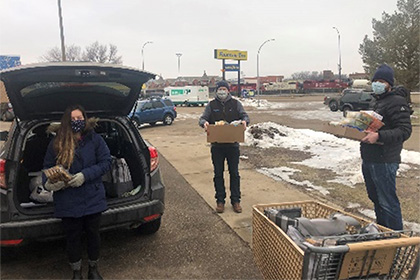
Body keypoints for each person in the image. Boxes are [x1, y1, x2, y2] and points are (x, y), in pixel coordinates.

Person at [43, 104, 111, 280]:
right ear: (67, 121)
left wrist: (84, 175)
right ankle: (76, 272)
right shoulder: (56, 142)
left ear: (85, 119)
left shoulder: (94, 139)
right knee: (72, 238)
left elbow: (105, 163)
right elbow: (47, 168)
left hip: (92, 196)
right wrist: (50, 183)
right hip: (68, 200)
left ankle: (93, 270)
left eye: (79, 118)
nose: (77, 122)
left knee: (93, 236)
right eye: (73, 119)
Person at [360, 64, 412, 230]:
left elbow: (404, 130)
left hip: (385, 160)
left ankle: (396, 240)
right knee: (376, 199)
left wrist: (379, 136)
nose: (377, 84)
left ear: (389, 84)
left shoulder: (397, 102)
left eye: (382, 81)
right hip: (370, 157)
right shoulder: (376, 101)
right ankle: (383, 234)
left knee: (388, 202)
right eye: (375, 80)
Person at [199, 80, 250, 214]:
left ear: (228, 90)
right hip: (217, 146)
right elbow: (202, 118)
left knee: (234, 173)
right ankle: (220, 201)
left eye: (224, 89)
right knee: (218, 174)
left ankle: (236, 201)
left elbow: (244, 115)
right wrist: (204, 123)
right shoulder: (212, 105)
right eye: (220, 89)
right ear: (216, 91)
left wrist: (245, 121)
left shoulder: (235, 104)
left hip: (232, 145)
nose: (222, 91)